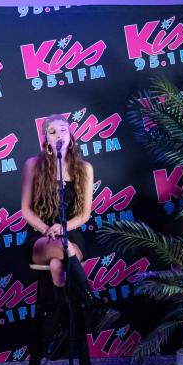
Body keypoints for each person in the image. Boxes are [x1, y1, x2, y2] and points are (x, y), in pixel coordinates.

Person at [21, 113, 119, 335]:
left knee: (58, 264)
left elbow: (85, 215)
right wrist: (47, 229)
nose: (58, 135)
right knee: (61, 248)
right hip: (39, 235)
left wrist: (62, 229)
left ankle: (60, 327)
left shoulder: (84, 169)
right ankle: (93, 305)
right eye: (52, 131)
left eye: (63, 130)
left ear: (71, 137)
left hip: (70, 233)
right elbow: (25, 210)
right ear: (45, 139)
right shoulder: (33, 165)